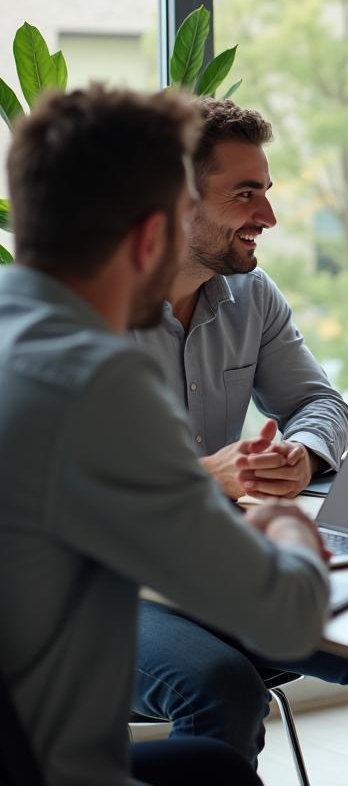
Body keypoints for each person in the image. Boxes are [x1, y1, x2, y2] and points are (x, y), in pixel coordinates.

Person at [0, 85, 329, 786]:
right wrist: (284, 524)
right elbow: (288, 616)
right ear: (155, 235)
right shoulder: (100, 382)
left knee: (211, 766)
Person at [131, 98, 348, 785]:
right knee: (218, 686)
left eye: (267, 193)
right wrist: (202, 478)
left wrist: (300, 455)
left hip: (206, 568)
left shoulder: (250, 297)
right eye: (245, 194)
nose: (269, 218)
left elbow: (320, 403)